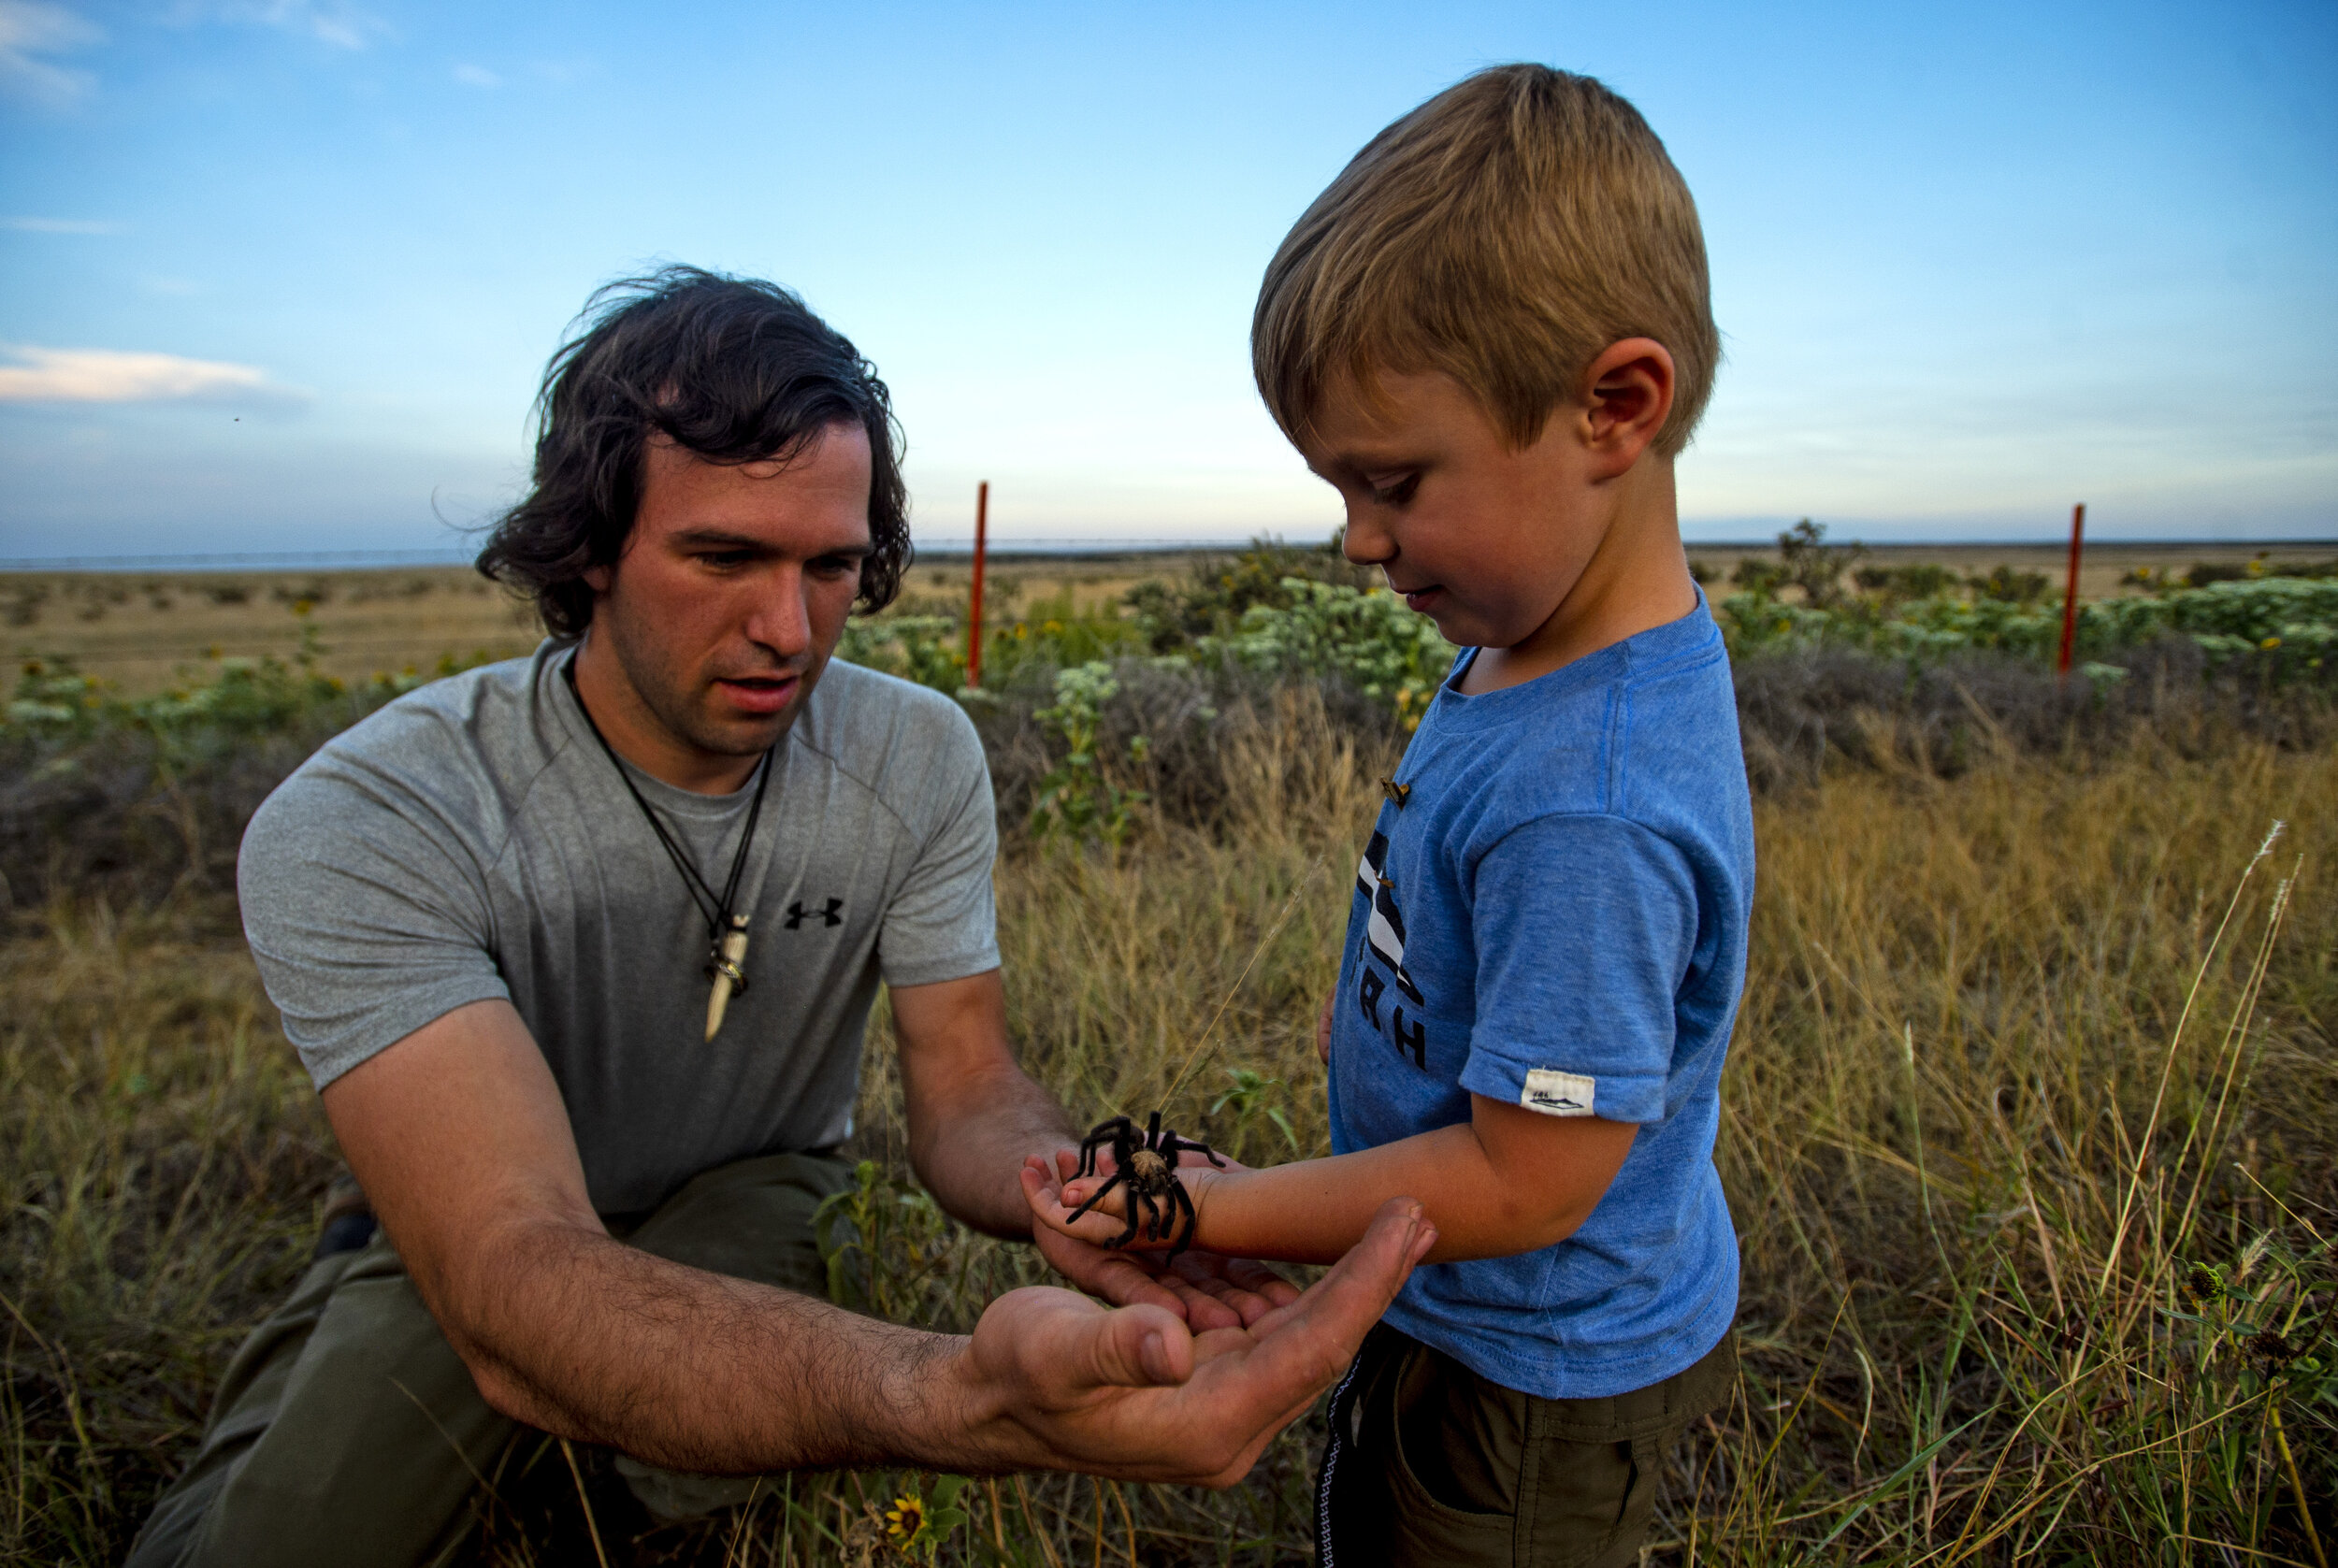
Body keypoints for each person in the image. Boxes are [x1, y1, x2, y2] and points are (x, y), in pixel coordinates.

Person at [127, 266, 1436, 1568]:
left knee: (677, 1472)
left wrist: (1090, 1191)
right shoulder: (380, 811)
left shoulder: (917, 755)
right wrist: (955, 1396)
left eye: (831, 565)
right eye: (723, 556)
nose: (788, 629)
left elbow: (968, 1085)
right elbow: (516, 1261)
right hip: (494, 1215)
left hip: (757, 1188)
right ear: (588, 543)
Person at [1027, 65, 1750, 1568]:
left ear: (1614, 406)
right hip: (1452, 1298)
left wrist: (1218, 1213)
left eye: (1395, 482)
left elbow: (1527, 1176)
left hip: (1535, 1375)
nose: (1359, 542)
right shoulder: (1521, 642)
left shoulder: (1590, 803)